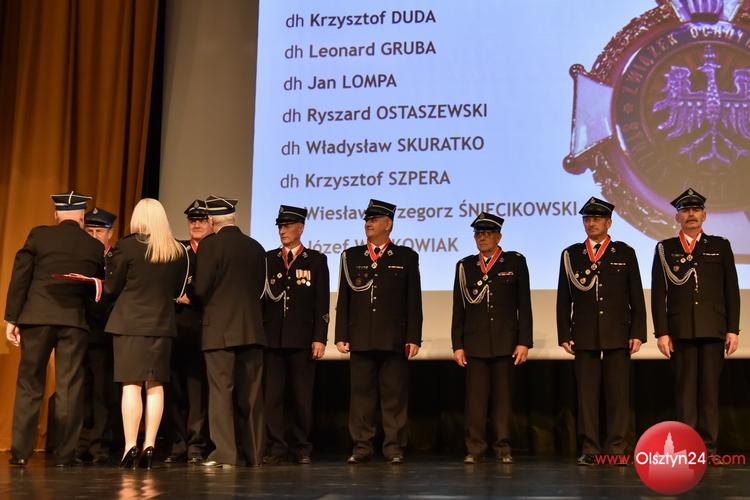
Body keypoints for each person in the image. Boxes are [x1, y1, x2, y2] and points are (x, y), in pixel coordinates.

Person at [4, 191, 104, 466]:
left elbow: (21, 276)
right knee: (69, 386)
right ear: (82, 217)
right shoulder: (93, 246)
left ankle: (20, 453)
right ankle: (65, 454)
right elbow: (96, 291)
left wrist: (12, 318)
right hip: (74, 322)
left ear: (57, 214)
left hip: (37, 318)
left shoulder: (39, 235)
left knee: (29, 384)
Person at [556, 197, 646, 466]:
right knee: (587, 395)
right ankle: (591, 449)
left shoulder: (624, 252)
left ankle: (616, 449)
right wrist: (564, 333)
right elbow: (564, 298)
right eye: (587, 219)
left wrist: (638, 332)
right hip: (584, 333)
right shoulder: (571, 254)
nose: (591, 223)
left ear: (609, 223)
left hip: (618, 333)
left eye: (596, 219)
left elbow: (636, 295)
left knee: (618, 394)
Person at [651, 188, 740, 459]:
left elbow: (731, 290)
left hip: (713, 329)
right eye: (685, 210)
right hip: (681, 331)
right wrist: (662, 332)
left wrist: (732, 329)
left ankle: (709, 448)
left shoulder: (720, 246)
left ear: (705, 215)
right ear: (677, 216)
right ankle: (687, 447)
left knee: (710, 394)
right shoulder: (665, 248)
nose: (691, 214)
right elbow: (658, 293)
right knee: (685, 394)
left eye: (696, 210)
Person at [335, 199, 422, 465]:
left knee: (394, 397)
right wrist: (341, 334)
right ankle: (361, 447)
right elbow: (344, 298)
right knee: (361, 397)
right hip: (361, 337)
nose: (368, 224)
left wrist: (413, 337)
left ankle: (394, 448)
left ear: (388, 224)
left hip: (393, 338)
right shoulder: (351, 256)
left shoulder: (406, 257)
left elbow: (413, 301)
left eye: (374, 220)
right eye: (367, 220)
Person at [104, 198, 188, 469]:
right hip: (162, 324)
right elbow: (178, 290)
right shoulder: (177, 250)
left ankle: (130, 446)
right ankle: (150, 445)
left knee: (131, 385)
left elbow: (111, 287)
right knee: (155, 384)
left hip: (129, 324)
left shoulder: (127, 246)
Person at [452, 212, 532, 464]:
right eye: (478, 234)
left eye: (487, 234)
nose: (482, 238)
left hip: (505, 342)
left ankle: (503, 447)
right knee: (475, 402)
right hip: (474, 343)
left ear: (498, 237)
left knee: (503, 401)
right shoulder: (465, 266)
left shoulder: (514, 262)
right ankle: (474, 448)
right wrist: (457, 344)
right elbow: (458, 309)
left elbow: (524, 306)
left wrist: (524, 341)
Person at [194, 195, 267, 468]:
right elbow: (259, 288)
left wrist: (192, 296)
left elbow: (201, 288)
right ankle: (255, 453)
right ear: (233, 217)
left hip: (219, 330)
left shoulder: (210, 245)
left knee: (221, 392)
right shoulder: (256, 246)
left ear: (212, 220)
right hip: (251, 329)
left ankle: (225, 454)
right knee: (253, 394)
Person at [262, 205, 329, 465]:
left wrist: (320, 337)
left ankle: (302, 448)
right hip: (273, 339)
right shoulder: (269, 259)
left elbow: (321, 302)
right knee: (272, 398)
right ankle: (276, 447)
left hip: (302, 339)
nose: (282, 231)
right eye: (280, 226)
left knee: (302, 398)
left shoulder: (315, 260)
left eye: (287, 226)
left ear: (300, 228)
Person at [163, 200, 212, 465]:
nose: (196, 224)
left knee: (197, 393)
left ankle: (196, 446)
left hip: (203, 329)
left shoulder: (215, 249)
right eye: (193, 220)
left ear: (211, 223)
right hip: (176, 328)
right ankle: (177, 444)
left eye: (201, 220)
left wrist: (191, 297)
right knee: (174, 390)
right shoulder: (177, 250)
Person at [77, 207, 119, 464]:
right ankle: (80, 443)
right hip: (81, 330)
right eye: (89, 231)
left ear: (109, 233)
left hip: (105, 332)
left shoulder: (114, 259)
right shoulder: (79, 255)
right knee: (81, 389)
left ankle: (99, 445)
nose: (94, 236)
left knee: (103, 392)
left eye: (99, 231)